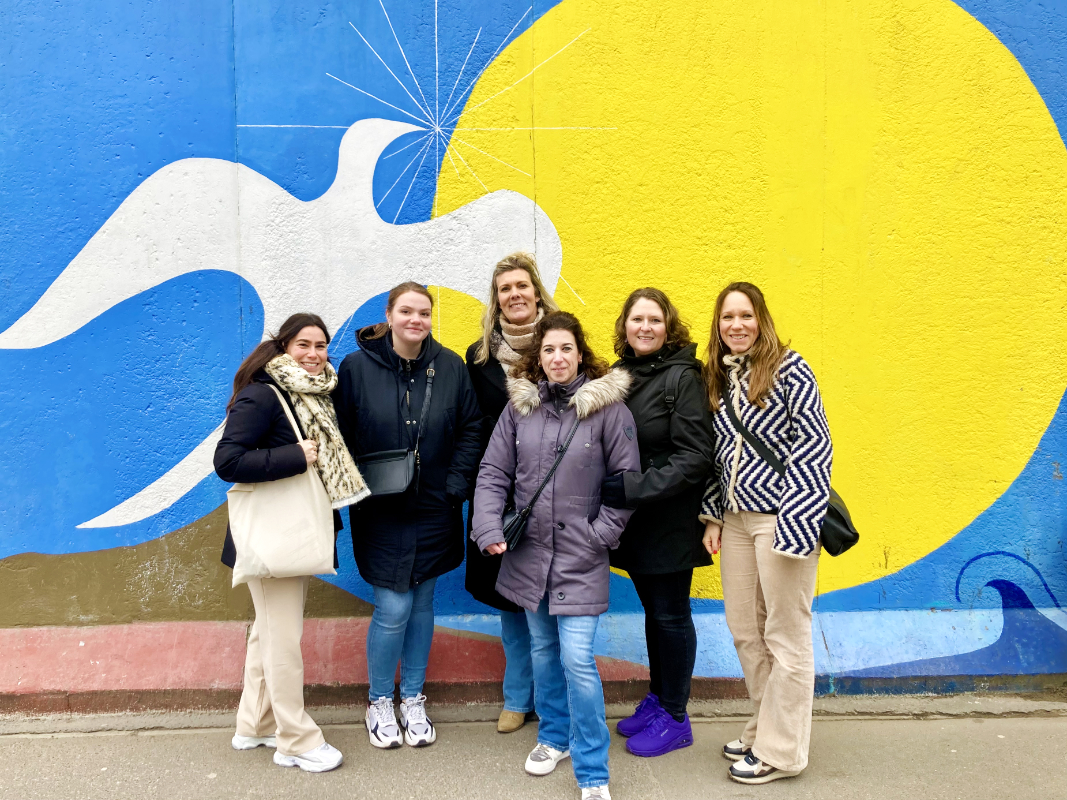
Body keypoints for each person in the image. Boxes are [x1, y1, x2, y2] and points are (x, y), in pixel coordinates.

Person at [472, 311, 641, 800]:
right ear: (537, 358)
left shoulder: (610, 411)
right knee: (544, 652)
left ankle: (592, 771)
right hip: (528, 556)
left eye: (565, 348)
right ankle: (553, 737)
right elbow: (492, 473)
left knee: (577, 660)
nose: (557, 357)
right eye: (548, 350)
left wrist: (599, 535)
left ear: (580, 353)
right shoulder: (519, 410)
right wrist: (486, 526)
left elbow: (625, 485)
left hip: (580, 557)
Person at [215, 313, 369, 773]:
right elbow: (227, 460)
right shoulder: (264, 395)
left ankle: (255, 723)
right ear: (283, 348)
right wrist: (294, 456)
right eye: (304, 345)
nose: (314, 354)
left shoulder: (309, 396)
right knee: (284, 639)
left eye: (321, 346)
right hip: (271, 539)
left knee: (268, 632)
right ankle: (296, 740)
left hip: (290, 532)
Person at [333, 282, 482, 750]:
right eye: (406, 311)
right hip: (380, 510)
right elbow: (341, 433)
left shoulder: (452, 365)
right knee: (393, 606)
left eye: (424, 312)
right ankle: (379, 700)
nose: (415, 320)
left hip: (436, 506)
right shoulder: (357, 368)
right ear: (390, 315)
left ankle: (413, 698)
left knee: (421, 604)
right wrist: (358, 488)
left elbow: (472, 428)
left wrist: (456, 486)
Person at [698, 282, 833, 784]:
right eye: (727, 317)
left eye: (745, 316)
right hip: (736, 519)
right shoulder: (722, 377)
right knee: (745, 629)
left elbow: (814, 445)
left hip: (782, 516)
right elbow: (719, 458)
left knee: (785, 633)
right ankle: (762, 727)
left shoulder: (790, 368)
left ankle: (783, 752)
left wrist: (797, 526)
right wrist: (713, 514)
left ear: (761, 320)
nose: (736, 325)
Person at [600, 288, 715, 757]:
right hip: (637, 522)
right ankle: (657, 698)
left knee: (670, 615)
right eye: (636, 319)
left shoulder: (681, 377)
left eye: (654, 320)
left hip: (669, 519)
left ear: (669, 327)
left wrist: (633, 488)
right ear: (624, 326)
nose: (644, 327)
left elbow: (695, 457)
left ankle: (675, 715)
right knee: (654, 613)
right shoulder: (622, 375)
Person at [464, 252, 560, 734]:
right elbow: (472, 429)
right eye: (505, 289)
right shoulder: (478, 357)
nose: (515, 295)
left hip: (554, 495)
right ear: (496, 298)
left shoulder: (562, 345)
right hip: (500, 498)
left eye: (522, 286)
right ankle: (516, 696)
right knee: (510, 602)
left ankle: (550, 700)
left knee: (550, 601)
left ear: (537, 291)